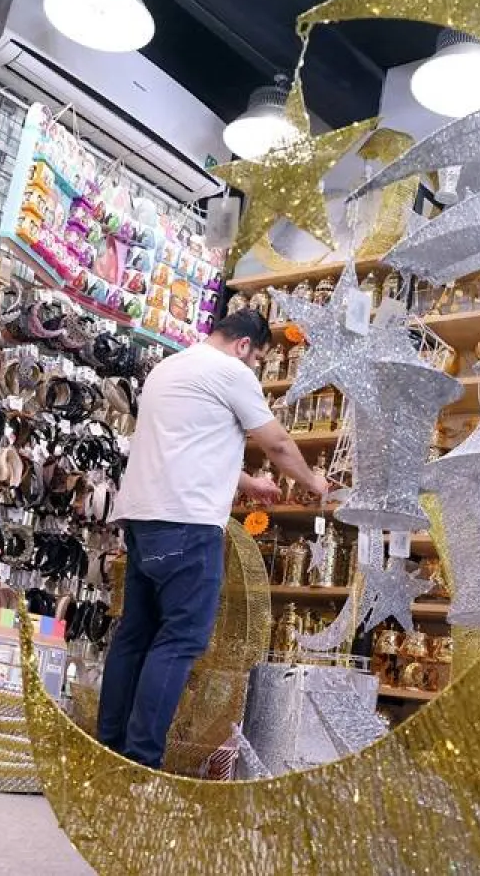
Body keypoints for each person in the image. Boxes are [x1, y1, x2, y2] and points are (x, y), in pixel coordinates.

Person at [98, 309, 330, 768]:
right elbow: (278, 444)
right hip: (188, 522)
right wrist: (313, 482)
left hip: (143, 520)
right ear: (245, 346)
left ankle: (107, 750)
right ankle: (141, 762)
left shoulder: (169, 368)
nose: (255, 368)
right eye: (258, 359)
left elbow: (187, 443)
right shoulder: (230, 371)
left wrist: (247, 484)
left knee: (135, 637)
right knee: (181, 639)